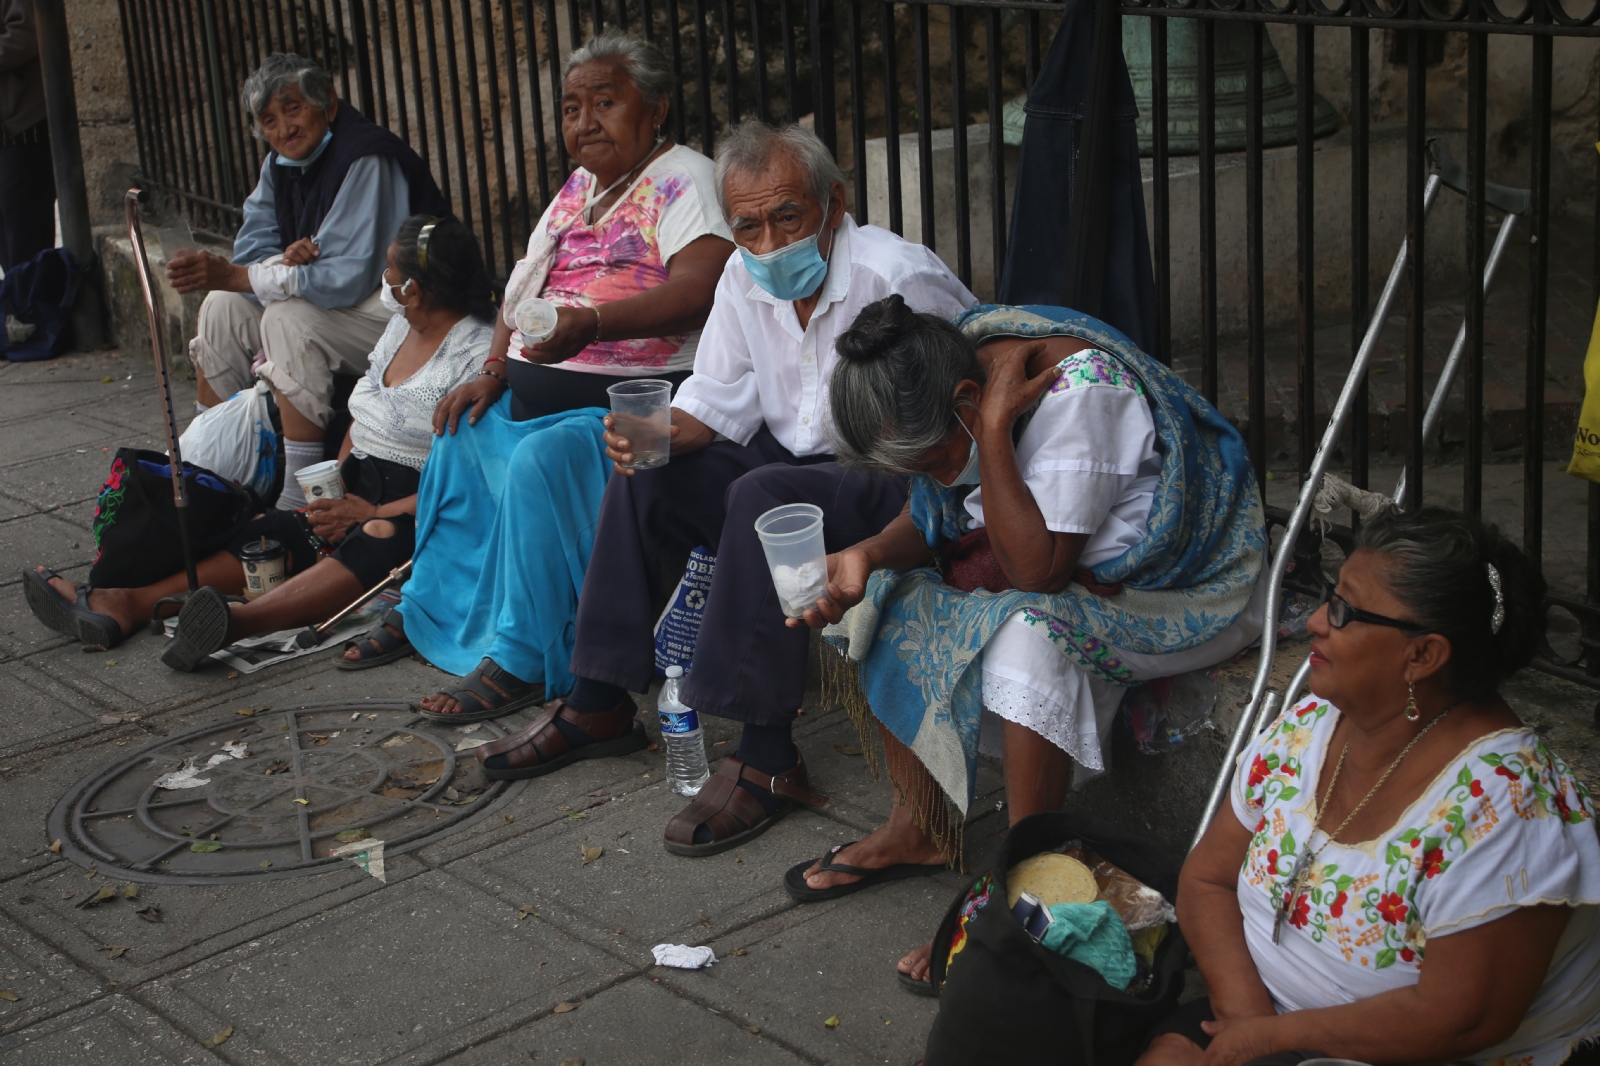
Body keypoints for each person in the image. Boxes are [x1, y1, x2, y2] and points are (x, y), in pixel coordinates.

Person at [469, 121, 976, 854]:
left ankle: (769, 755)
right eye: (748, 225)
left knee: (765, 494)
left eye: (787, 218)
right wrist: (659, 434)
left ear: (834, 203)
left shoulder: (895, 272)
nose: (767, 243)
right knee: (649, 471)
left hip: (888, 475)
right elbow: (720, 395)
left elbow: (956, 397)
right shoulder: (743, 275)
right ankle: (599, 698)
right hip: (791, 458)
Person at [783, 298, 1267, 991]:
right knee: (885, 596)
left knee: (1025, 634)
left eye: (933, 458)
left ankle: (1020, 889)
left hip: (1181, 594)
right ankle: (917, 826)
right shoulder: (959, 370)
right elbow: (935, 517)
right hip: (1075, 584)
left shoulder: (1082, 395)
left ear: (968, 402)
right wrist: (864, 553)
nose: (931, 478)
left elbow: (1038, 573)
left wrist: (994, 437)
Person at [339, 31, 735, 721]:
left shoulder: (685, 179)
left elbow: (702, 287)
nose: (585, 123)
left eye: (605, 103)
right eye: (571, 108)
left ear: (657, 108)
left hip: (647, 407)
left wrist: (595, 324)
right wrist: (494, 370)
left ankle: (523, 657)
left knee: (541, 459)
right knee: (459, 430)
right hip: (539, 392)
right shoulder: (578, 189)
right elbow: (521, 292)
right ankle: (431, 607)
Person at [1138, 506, 1599, 1066]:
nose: (1314, 620)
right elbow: (1208, 878)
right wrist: (1244, 1018)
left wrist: (1266, 1043)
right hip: (1260, 1017)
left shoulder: (1508, 808)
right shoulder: (1313, 723)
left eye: (1344, 609)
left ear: (1422, 655)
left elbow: (1458, 1021)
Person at [22, 217, 494, 668]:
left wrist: (370, 513)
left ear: (413, 288)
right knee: (272, 533)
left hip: (418, 501)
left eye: (391, 269)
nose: (384, 277)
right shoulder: (401, 326)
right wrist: (335, 487)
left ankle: (238, 622)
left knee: (378, 541)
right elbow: (364, 413)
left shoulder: (477, 353)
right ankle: (127, 604)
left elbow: (469, 475)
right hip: (357, 478)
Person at [165, 52, 450, 510]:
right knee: (221, 303)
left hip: (409, 315)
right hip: (345, 302)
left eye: (293, 108)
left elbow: (348, 278)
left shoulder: (365, 157)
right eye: (269, 120)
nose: (284, 129)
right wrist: (282, 259)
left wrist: (262, 273)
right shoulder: (279, 165)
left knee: (287, 317)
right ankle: (209, 467)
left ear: (328, 102)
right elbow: (253, 250)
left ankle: (298, 498)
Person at [0, 0, 52, 276]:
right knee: (9, 243)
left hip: (22, 129)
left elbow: (29, 32)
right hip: (9, 130)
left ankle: (32, 314)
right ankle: (19, 311)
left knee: (25, 238)